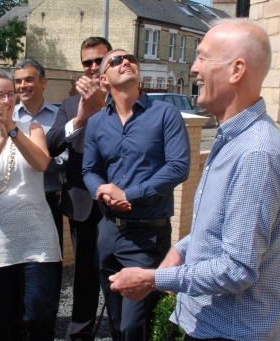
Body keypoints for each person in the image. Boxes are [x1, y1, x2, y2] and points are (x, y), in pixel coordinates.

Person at [108, 19, 280, 341]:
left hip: (231, 333)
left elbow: (236, 268)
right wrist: (181, 251)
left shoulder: (256, 154)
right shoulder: (232, 140)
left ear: (236, 71)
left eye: (203, 57)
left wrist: (153, 279)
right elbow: (216, 230)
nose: (194, 68)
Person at [82, 49, 191, 341]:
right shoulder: (96, 123)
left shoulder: (165, 114)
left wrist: (129, 193)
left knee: (135, 326)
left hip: (147, 236)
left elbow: (179, 167)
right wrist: (101, 191)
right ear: (104, 79)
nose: (125, 62)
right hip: (108, 232)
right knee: (117, 321)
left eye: (129, 58)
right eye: (116, 61)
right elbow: (89, 170)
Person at [0, 69, 61, 341]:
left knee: (40, 312)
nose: (7, 101)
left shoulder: (32, 128)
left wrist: (13, 131)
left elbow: (42, 163)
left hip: (34, 233)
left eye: (10, 94)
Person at [47, 36, 112, 341]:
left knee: (116, 273)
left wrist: (101, 108)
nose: (93, 66)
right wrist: (80, 118)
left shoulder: (124, 98)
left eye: (99, 60)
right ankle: (80, 333)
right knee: (84, 274)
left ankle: (121, 329)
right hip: (83, 203)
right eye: (87, 62)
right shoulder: (71, 103)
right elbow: (51, 143)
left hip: (119, 202)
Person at [13, 58, 67, 308]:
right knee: (16, 265)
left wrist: (38, 160)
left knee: (47, 265)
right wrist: (39, 157)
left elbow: (65, 158)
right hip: (15, 202)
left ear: (43, 82)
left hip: (48, 201)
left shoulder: (60, 118)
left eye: (29, 79)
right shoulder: (8, 117)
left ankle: (46, 317)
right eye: (18, 81)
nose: (23, 85)